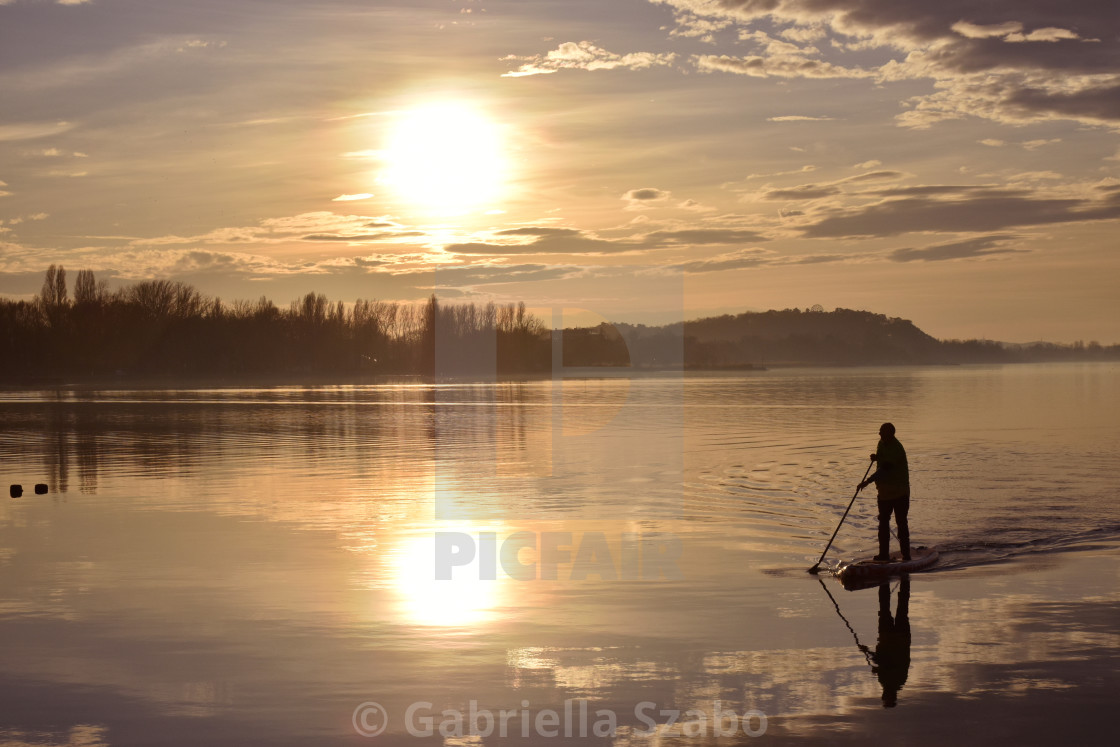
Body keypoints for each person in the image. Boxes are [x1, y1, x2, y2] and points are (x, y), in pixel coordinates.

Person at [858, 422, 910, 562]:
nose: (879, 434)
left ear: (890, 434)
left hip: (900, 492)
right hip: (884, 493)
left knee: (901, 523)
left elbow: (885, 468)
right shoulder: (881, 443)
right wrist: (877, 457)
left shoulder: (897, 448)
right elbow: (882, 461)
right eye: (880, 431)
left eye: (882, 431)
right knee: (883, 523)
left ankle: (907, 556)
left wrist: (867, 482)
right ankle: (883, 555)